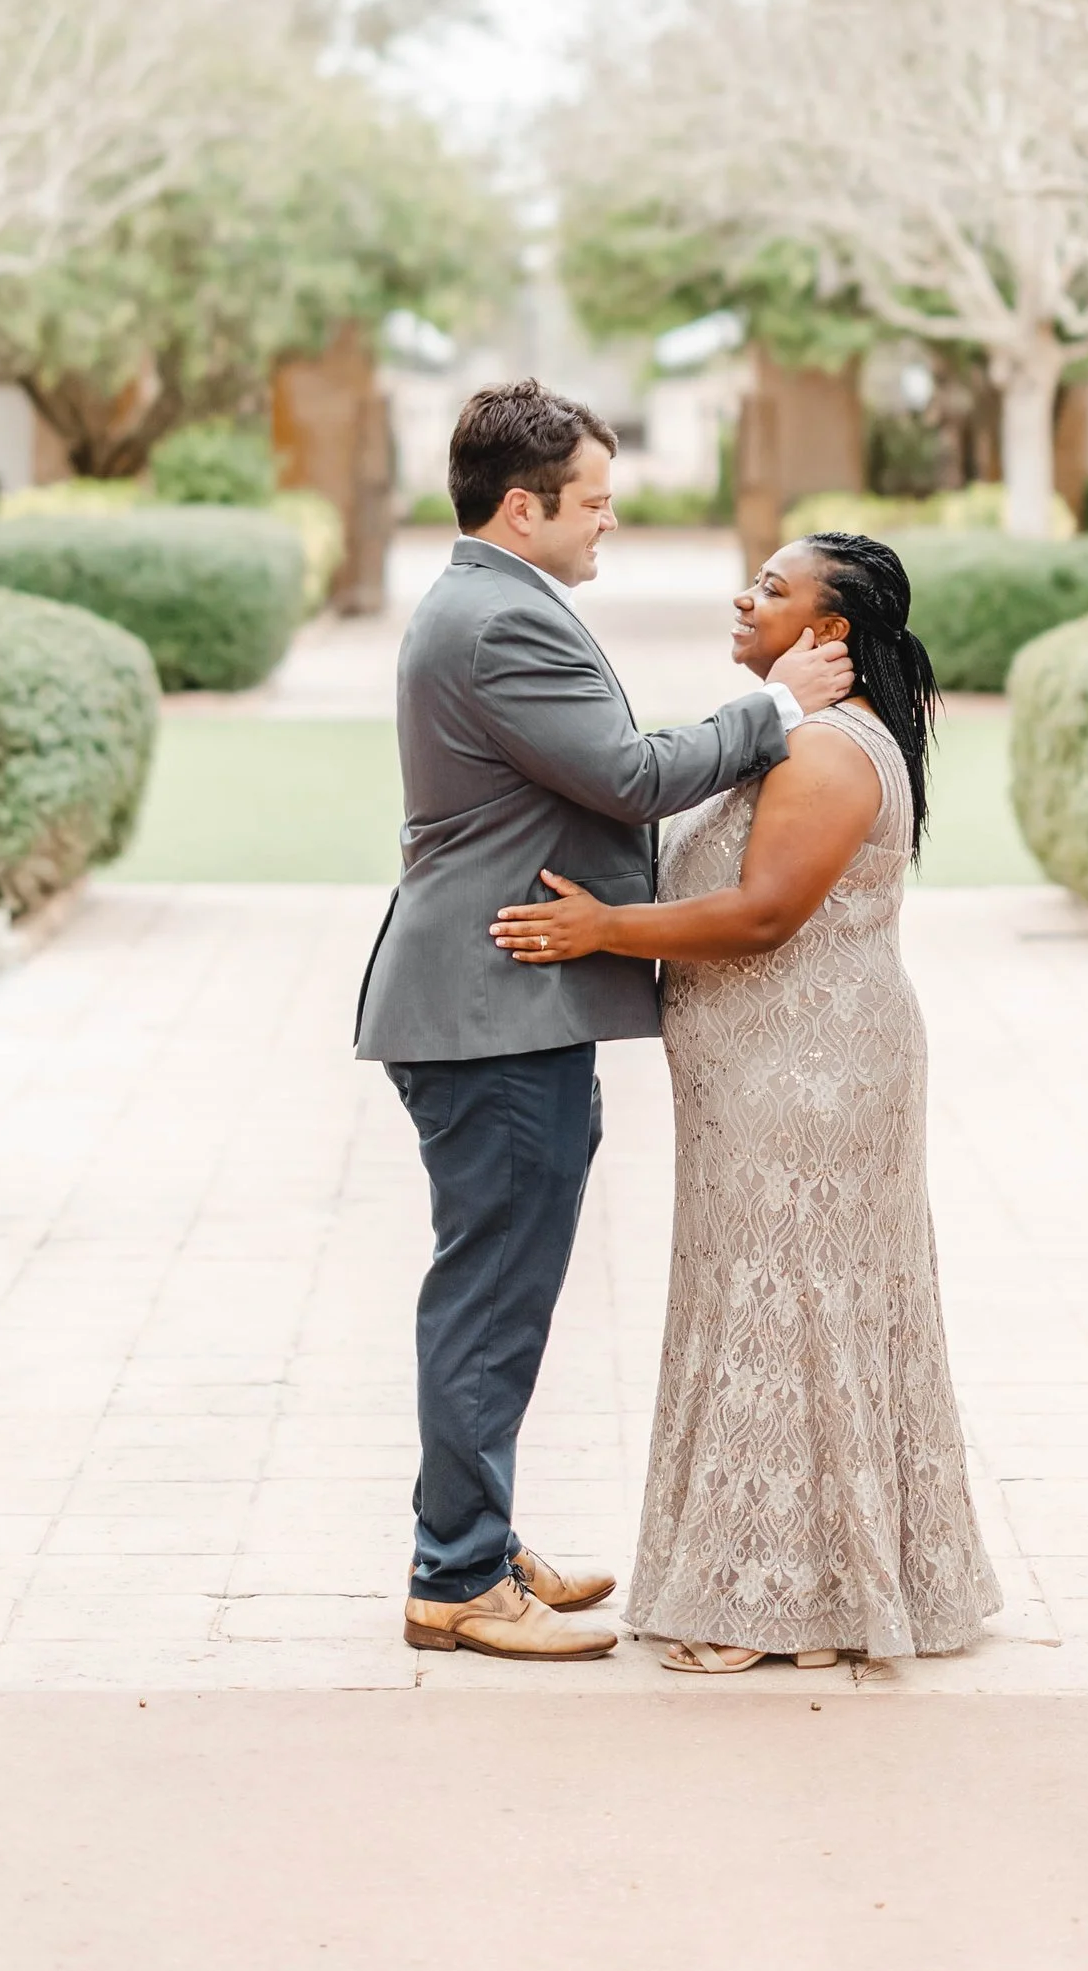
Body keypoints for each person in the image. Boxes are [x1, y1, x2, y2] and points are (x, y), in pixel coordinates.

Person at [357, 380, 853, 1663]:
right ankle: (456, 1576)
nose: (608, 523)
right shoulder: (496, 623)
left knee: (503, 1285)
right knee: (493, 1292)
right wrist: (779, 707)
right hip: (491, 1006)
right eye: (593, 501)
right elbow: (628, 775)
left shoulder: (494, 601)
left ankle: (472, 1532)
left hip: (503, 1000)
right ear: (523, 509)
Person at [494, 529, 999, 1672]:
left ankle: (791, 1608)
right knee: (772, 1308)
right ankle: (801, 1582)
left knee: (789, 1314)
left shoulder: (826, 753)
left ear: (826, 632)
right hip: (762, 1073)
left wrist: (602, 930)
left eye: (772, 589)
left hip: (807, 1076)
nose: (743, 594)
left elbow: (766, 913)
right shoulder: (795, 732)